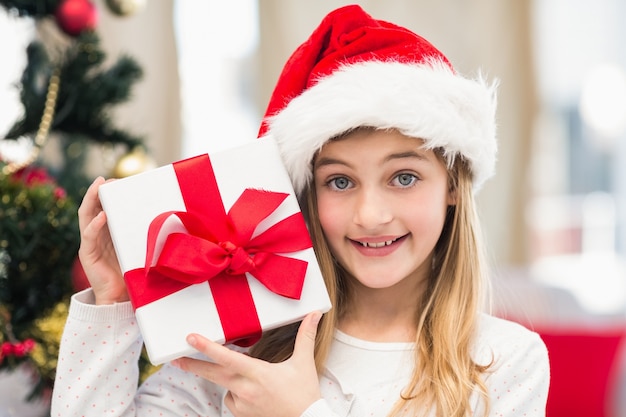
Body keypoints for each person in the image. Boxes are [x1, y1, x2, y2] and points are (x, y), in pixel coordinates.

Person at [52, 4, 549, 417]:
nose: (371, 215)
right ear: (307, 194)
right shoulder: (240, 354)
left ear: (453, 187)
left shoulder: (503, 362)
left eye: (404, 177)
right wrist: (112, 300)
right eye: (339, 181)